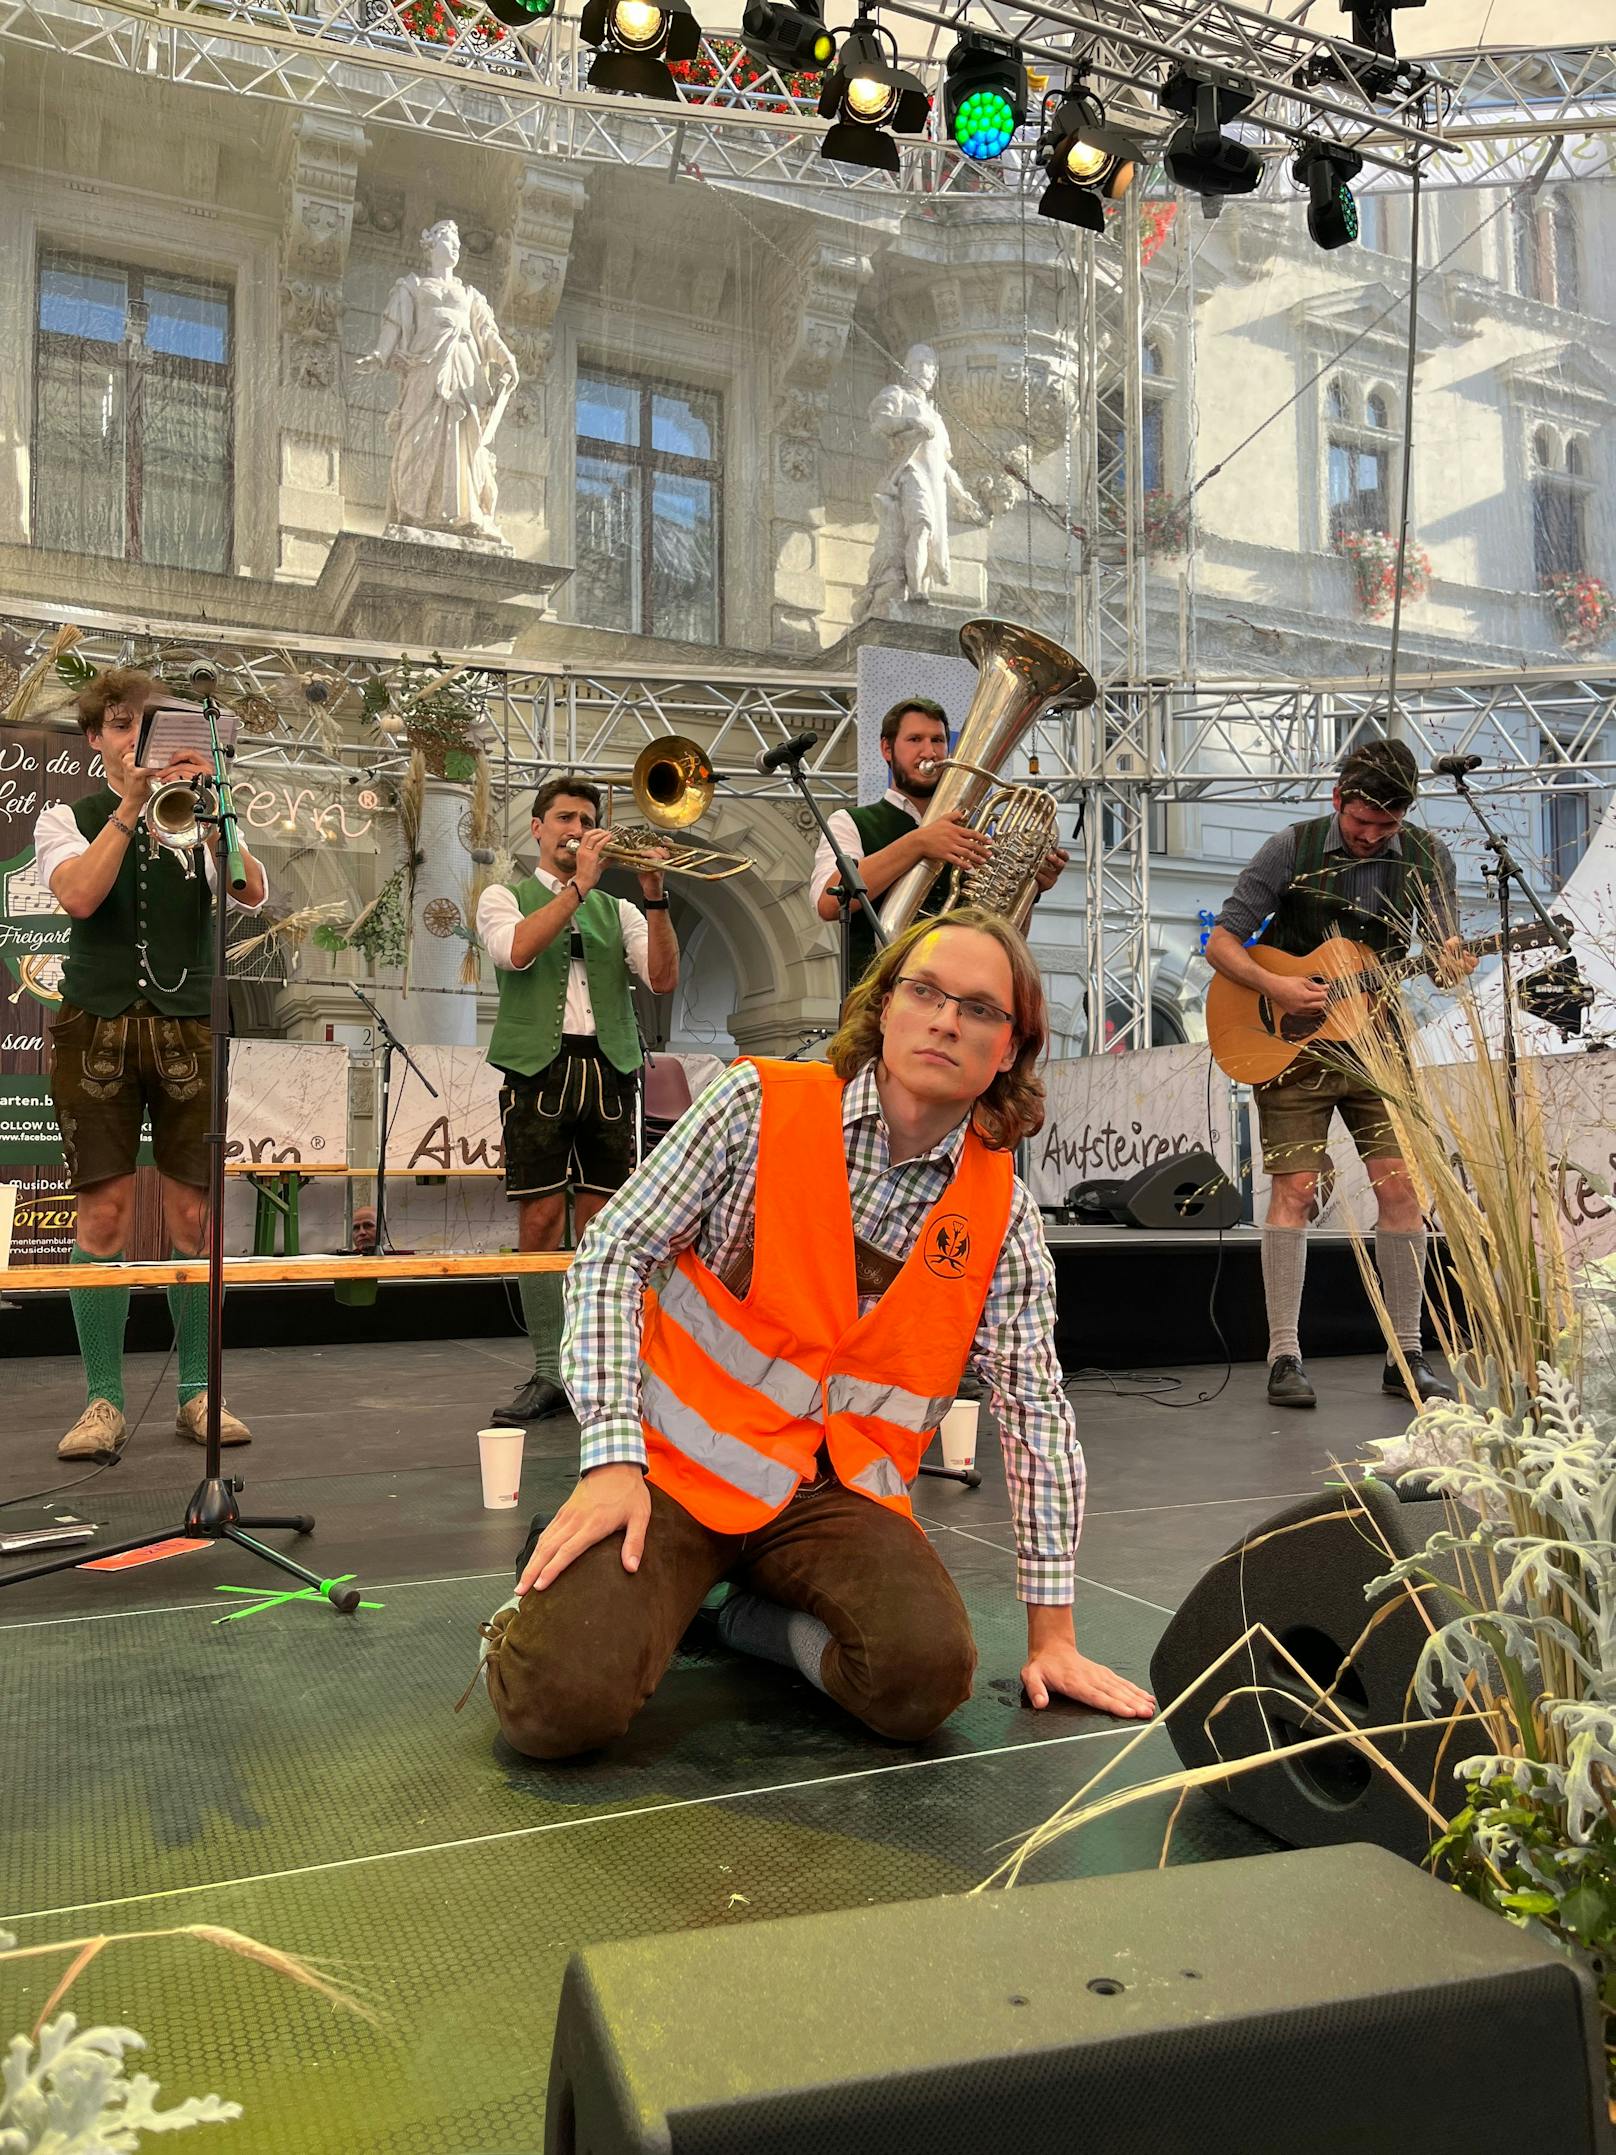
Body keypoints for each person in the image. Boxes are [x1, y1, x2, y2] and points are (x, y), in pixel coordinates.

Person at [479, 906, 1155, 1760]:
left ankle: (744, 1621)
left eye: (981, 1009)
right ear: (885, 1008)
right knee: (554, 1708)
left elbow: (1034, 1409)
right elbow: (611, 1254)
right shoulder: (756, 1105)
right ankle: (561, 1588)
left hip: (836, 1495)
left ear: (1011, 1050)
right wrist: (613, 1459)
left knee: (922, 1682)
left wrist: (1052, 1632)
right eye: (927, 992)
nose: (948, 1019)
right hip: (676, 1469)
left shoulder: (1004, 1216)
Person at [36, 668, 268, 1460]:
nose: (136, 738)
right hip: (94, 1027)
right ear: (97, 735)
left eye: (150, 726)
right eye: (122, 723)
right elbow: (79, 896)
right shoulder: (68, 815)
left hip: (187, 1028)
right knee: (102, 1213)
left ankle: (198, 1393)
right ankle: (102, 1399)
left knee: (192, 1218)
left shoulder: (200, 814)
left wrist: (216, 807)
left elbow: (249, 890)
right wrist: (134, 806)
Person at [1204, 739, 1475, 1410]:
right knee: (1293, 1188)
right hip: (1292, 1046)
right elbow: (1221, 941)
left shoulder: (1425, 856)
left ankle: (1406, 1353)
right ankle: (1284, 1355)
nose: (1370, 835)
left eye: (1386, 826)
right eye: (1360, 822)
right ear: (1337, 800)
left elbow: (1441, 950)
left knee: (1403, 1187)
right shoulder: (1289, 849)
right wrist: (1277, 985)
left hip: (1380, 1044)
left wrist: (1451, 960)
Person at [476, 776, 678, 1429]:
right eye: (566, 817)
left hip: (611, 1068)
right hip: (538, 1069)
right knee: (537, 1223)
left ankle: (597, 1365)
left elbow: (663, 977)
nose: (578, 827)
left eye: (588, 818)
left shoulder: (618, 911)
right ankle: (547, 1369)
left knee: (602, 1230)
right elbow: (516, 950)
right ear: (537, 827)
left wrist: (655, 898)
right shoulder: (503, 895)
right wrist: (580, 886)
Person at [809, 697, 1068, 991]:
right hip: (875, 1002)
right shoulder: (850, 821)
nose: (929, 752)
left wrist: (1028, 888)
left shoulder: (973, 833)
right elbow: (829, 903)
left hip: (958, 999)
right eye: (914, 739)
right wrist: (919, 842)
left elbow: (1006, 939)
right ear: (886, 749)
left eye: (938, 740)